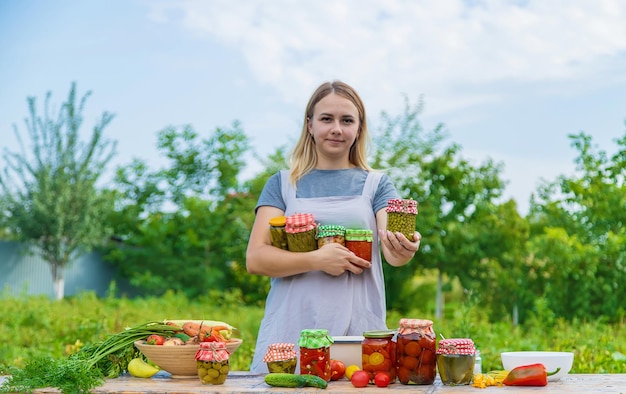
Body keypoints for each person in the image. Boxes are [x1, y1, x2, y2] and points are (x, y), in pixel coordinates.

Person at [246, 80, 422, 373]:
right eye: (326, 119)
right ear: (310, 125)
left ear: (359, 128)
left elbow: (393, 254)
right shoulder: (282, 184)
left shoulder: (377, 185)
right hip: (290, 331)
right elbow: (255, 259)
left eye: (347, 120)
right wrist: (316, 259)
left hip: (355, 334)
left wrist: (405, 248)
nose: (336, 128)